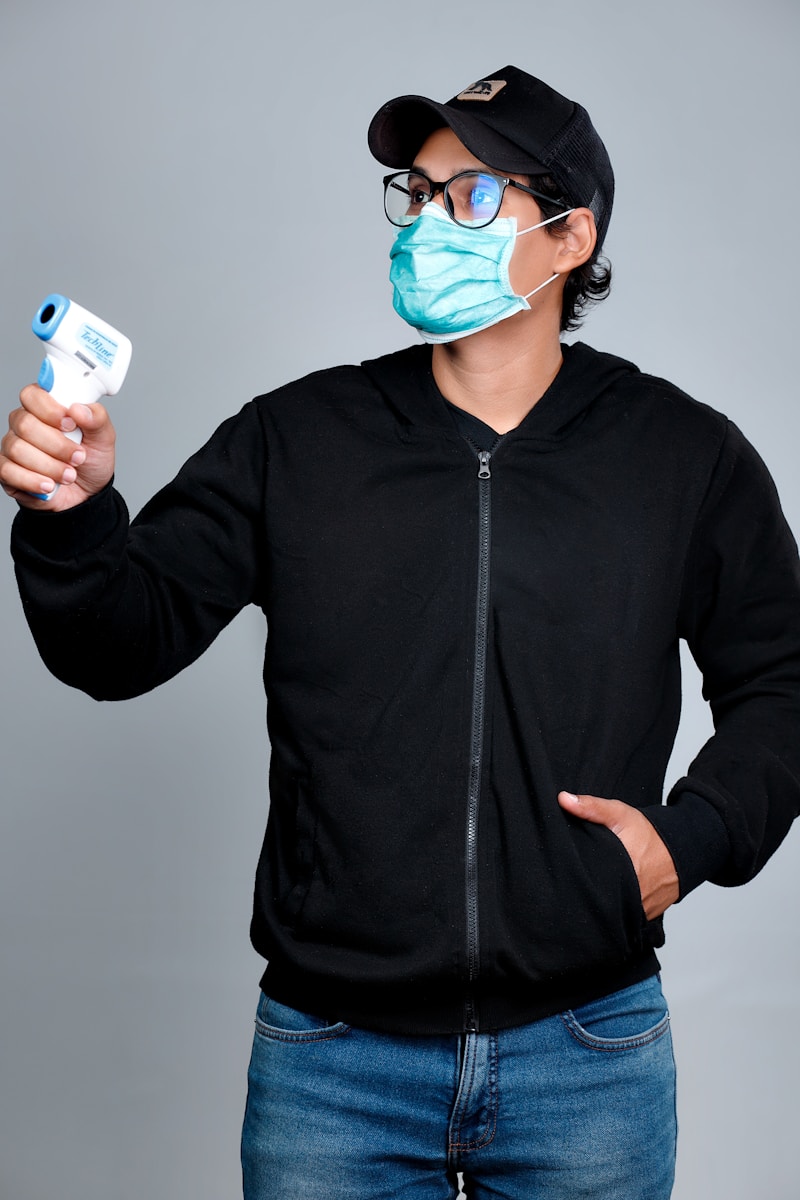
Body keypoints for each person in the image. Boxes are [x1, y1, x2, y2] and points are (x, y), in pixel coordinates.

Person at [3, 65, 799, 1200]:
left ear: (570, 237)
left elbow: (782, 682)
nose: (426, 221)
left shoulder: (682, 456)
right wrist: (72, 516)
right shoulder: (296, 439)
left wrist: (697, 836)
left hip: (587, 1052)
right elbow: (115, 646)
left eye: (469, 195)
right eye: (417, 194)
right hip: (332, 1063)